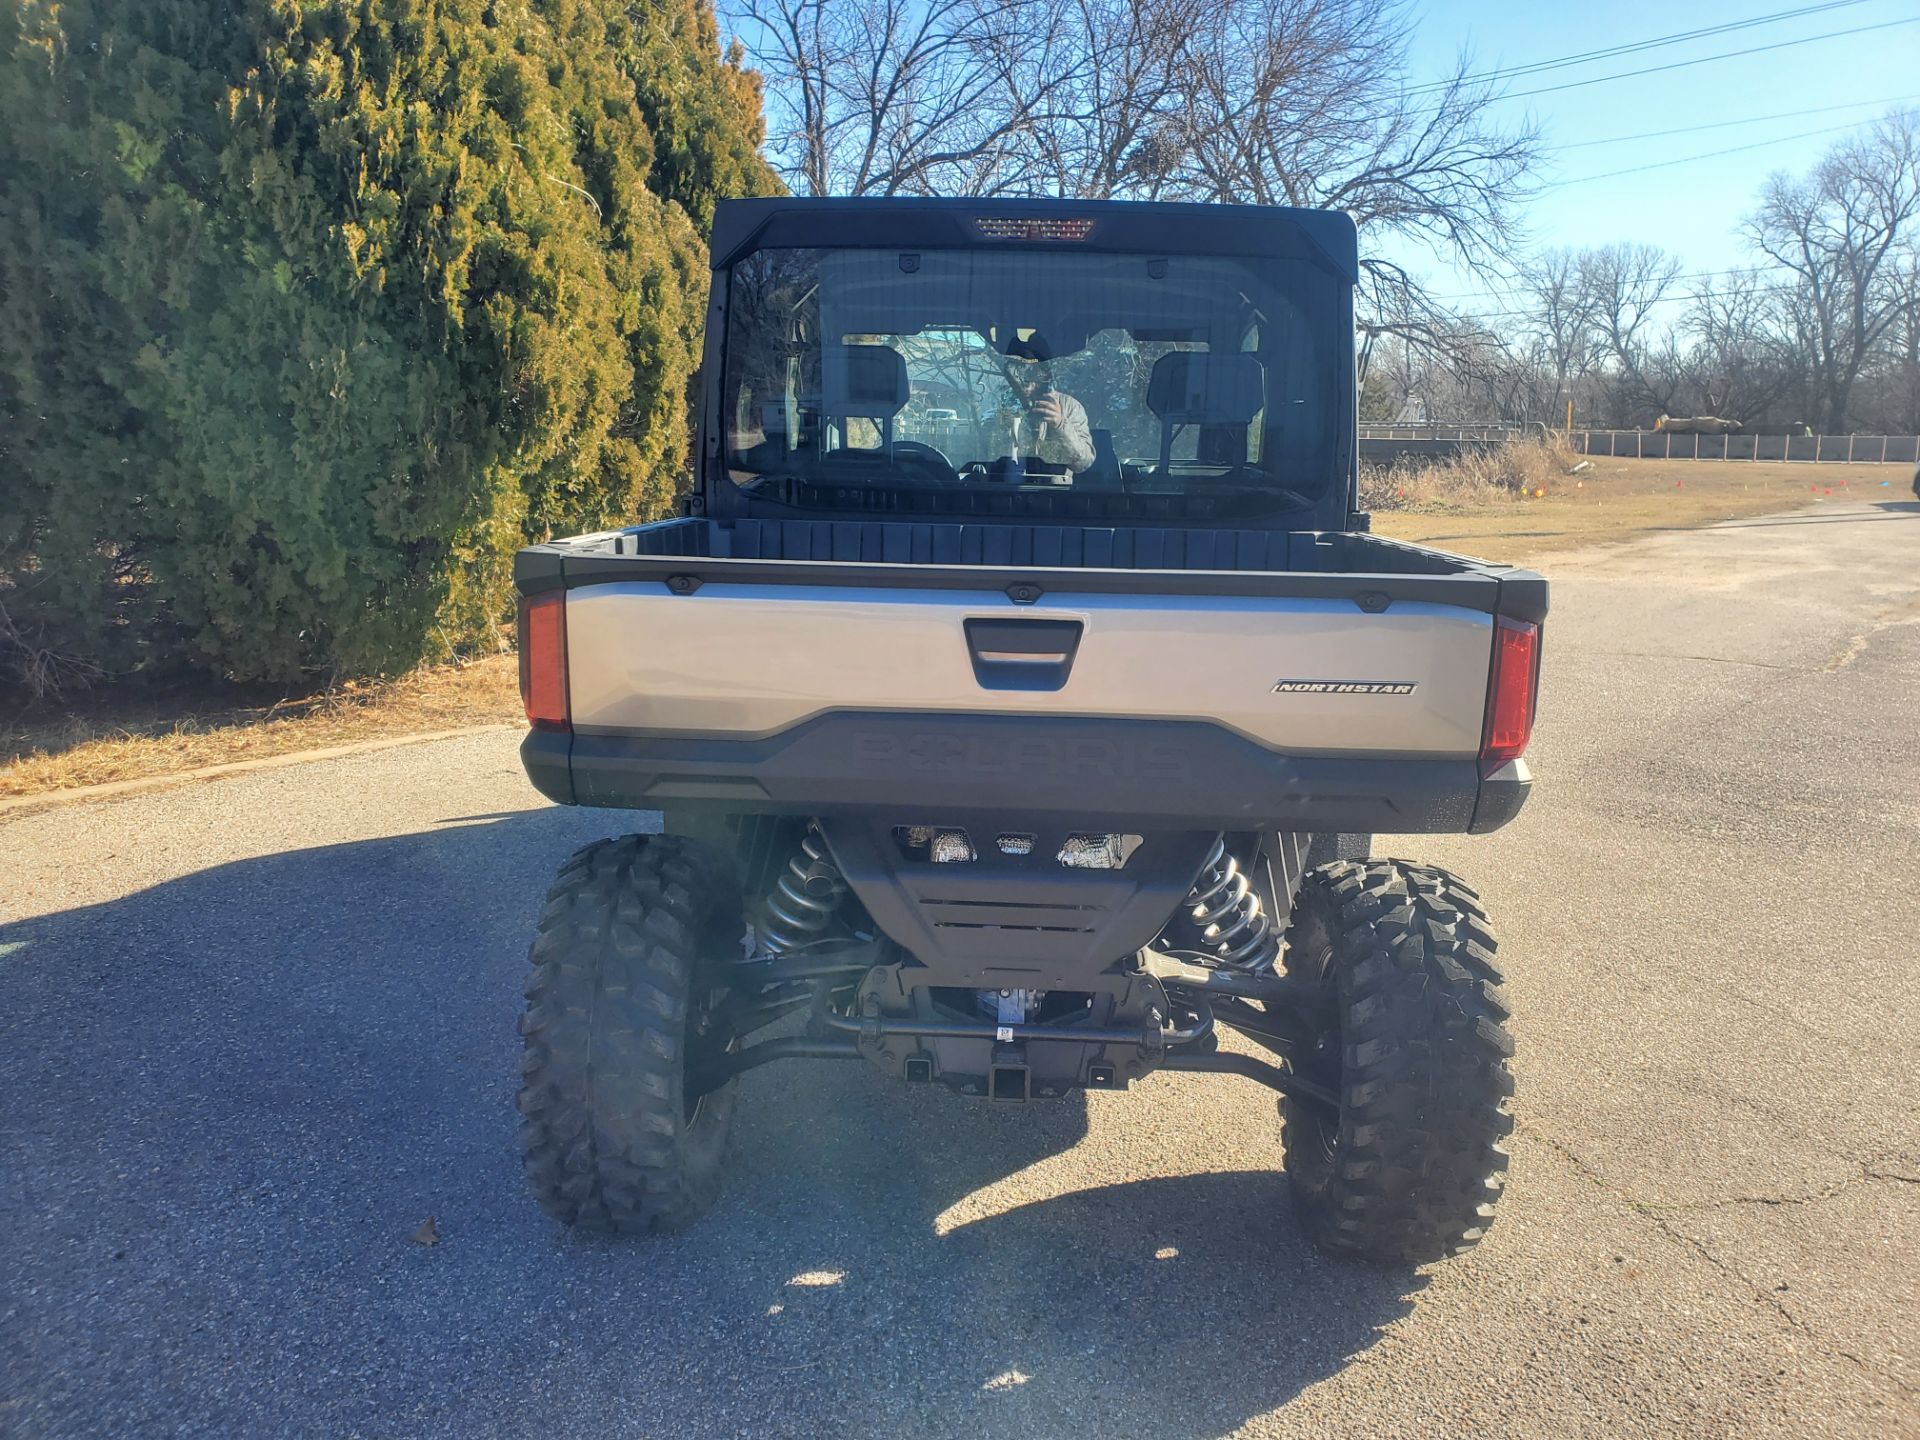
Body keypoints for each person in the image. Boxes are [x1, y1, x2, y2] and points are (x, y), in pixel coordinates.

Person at [1001, 337, 1095, 474]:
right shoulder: (1001, 408)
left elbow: (1083, 463)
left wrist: (1060, 424)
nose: (1023, 377)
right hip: (1004, 491)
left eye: (1031, 369)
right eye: (1017, 368)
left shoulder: (1068, 407)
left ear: (1044, 372)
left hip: (1055, 493)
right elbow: (983, 459)